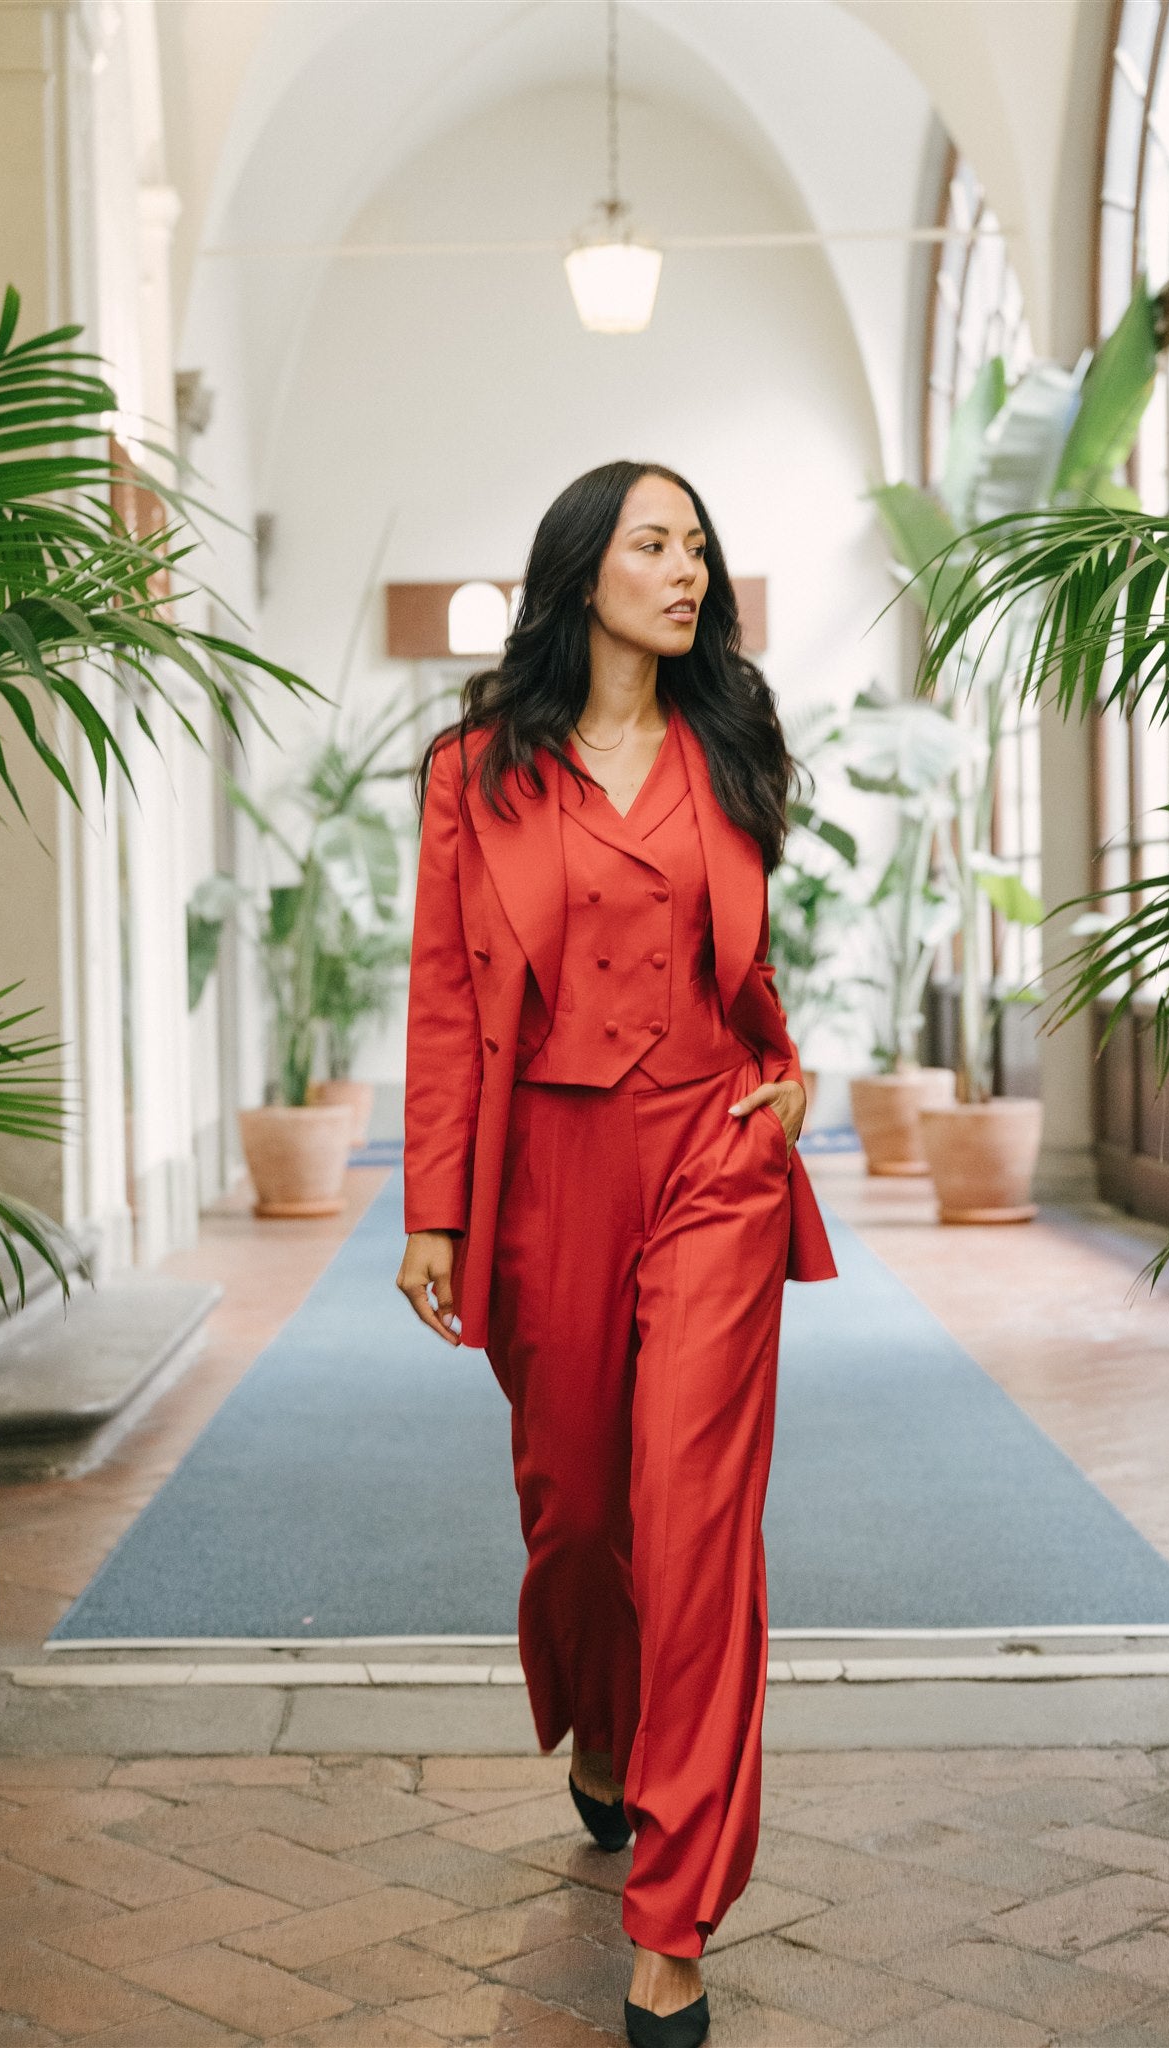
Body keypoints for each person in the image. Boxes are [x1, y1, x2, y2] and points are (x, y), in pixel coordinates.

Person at [397, 460, 838, 2048]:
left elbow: (750, 964)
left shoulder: (730, 747)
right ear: (582, 571)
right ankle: (598, 1721)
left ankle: (673, 1921)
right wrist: (433, 1209)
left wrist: (787, 1084)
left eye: (700, 547)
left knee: (697, 1524)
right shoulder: (475, 773)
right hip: (546, 1178)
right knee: (579, 1512)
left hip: (713, 1159)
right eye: (654, 543)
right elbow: (449, 999)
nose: (687, 569)